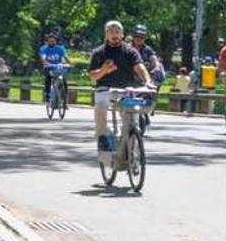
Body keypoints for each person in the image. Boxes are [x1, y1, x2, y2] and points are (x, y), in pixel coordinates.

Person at [86, 20, 152, 154]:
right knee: (100, 104)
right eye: (111, 31)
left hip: (126, 91)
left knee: (133, 122)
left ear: (122, 34)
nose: (114, 34)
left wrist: (147, 80)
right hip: (105, 90)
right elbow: (93, 76)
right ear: (106, 34)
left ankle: (132, 152)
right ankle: (103, 136)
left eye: (117, 31)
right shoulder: (98, 52)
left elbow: (139, 67)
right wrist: (103, 71)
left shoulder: (130, 51)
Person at [39, 32, 70, 102]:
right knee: (48, 79)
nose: (51, 42)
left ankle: (64, 98)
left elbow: (65, 56)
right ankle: (47, 95)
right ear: (47, 42)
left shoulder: (60, 48)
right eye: (50, 41)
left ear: (56, 41)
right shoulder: (44, 49)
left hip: (58, 68)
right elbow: (43, 57)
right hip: (48, 67)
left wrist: (70, 63)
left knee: (64, 80)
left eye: (53, 41)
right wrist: (45, 62)